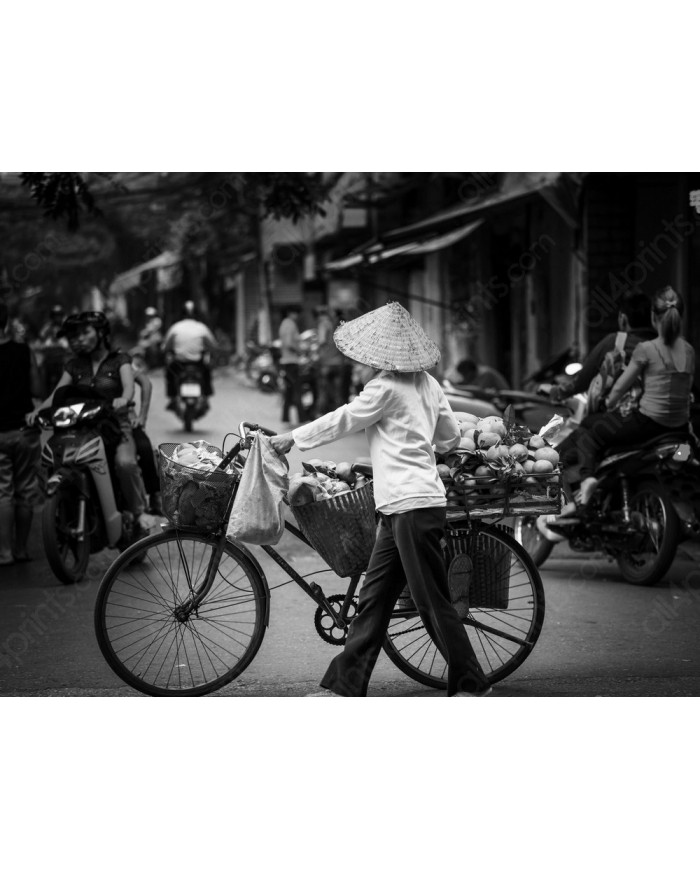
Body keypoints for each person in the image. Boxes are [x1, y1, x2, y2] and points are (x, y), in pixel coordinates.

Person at [270, 301, 492, 697]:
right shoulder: (429, 384)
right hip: (402, 506)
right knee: (374, 600)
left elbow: (343, 419)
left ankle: (472, 683)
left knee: (431, 603)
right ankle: (346, 682)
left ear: (378, 356)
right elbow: (449, 439)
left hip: (410, 506)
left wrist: (293, 437)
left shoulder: (384, 387)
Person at [26, 311, 152, 529]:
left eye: (85, 333)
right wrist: (37, 411)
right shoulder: (74, 365)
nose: (80, 339)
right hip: (82, 427)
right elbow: (57, 393)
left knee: (125, 463)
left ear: (101, 333)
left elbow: (131, 387)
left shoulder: (120, 360)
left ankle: (139, 513)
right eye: (76, 335)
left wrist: (123, 399)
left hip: (115, 426)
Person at [577, 286, 695, 505]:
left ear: (653, 317)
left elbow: (621, 387)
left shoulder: (646, 349)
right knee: (689, 447)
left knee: (590, 432)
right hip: (679, 428)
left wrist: (608, 401)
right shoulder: (688, 349)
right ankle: (677, 464)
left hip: (647, 424)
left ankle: (587, 480)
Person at [0, 301, 43, 565]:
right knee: (26, 490)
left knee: (2, 491)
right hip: (24, 431)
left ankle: (4, 553)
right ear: (6, 322)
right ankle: (21, 550)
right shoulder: (23, 351)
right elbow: (38, 389)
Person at [162, 301, 217, 411]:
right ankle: (206, 397)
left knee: (169, 374)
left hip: (179, 364)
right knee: (207, 374)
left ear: (182, 314)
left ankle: (172, 399)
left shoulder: (175, 327)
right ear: (196, 314)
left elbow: (165, 347)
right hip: (198, 364)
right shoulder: (202, 327)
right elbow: (213, 345)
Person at [278, 307, 308, 425]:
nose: (297, 315)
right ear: (291, 313)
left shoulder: (283, 324)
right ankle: (302, 418)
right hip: (291, 361)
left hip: (286, 361)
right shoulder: (290, 325)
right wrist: (299, 351)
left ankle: (286, 418)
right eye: (296, 313)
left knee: (289, 391)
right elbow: (289, 343)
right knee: (296, 390)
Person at [313, 306, 345, 415]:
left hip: (327, 363)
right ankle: (338, 414)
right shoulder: (334, 324)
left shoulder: (323, 324)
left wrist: (316, 350)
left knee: (323, 391)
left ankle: (320, 414)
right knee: (336, 392)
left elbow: (322, 341)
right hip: (338, 362)